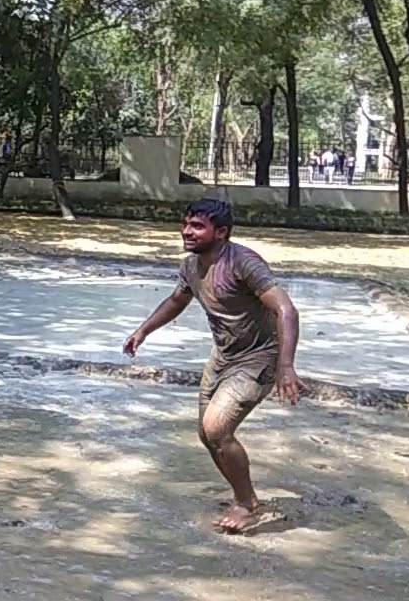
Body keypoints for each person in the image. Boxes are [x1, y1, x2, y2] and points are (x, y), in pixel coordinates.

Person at [122, 198, 303, 533]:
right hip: (223, 356)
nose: (186, 232)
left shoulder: (244, 263)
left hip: (260, 357)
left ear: (221, 233)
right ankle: (246, 496)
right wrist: (143, 330)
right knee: (207, 434)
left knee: (218, 428)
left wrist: (286, 366)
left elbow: (286, 310)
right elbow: (178, 299)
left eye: (197, 226)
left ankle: (246, 504)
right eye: (186, 224)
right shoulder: (191, 265)